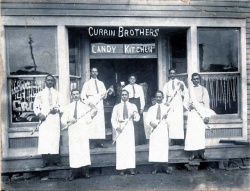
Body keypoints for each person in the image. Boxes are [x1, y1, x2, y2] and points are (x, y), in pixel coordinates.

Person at [61, 89, 98, 181]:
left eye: (77, 94)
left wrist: (93, 115)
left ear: (80, 95)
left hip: (83, 131)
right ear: (72, 96)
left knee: (84, 150)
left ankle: (85, 172)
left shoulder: (85, 107)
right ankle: (74, 173)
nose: (76, 96)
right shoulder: (68, 107)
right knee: (74, 151)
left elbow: (88, 120)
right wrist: (69, 120)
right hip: (73, 131)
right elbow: (63, 120)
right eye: (74, 94)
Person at [33, 74, 63, 168]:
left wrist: (57, 110)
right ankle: (45, 161)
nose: (49, 82)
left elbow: (62, 106)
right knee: (45, 139)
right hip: (44, 119)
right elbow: (36, 106)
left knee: (55, 138)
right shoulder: (40, 94)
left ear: (53, 82)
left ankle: (56, 160)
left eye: (51, 80)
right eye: (48, 80)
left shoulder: (58, 94)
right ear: (45, 82)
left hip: (54, 118)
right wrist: (39, 113)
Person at [184, 73, 216, 160]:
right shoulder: (189, 90)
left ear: (199, 79)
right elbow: (185, 101)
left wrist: (207, 116)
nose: (196, 80)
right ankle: (193, 153)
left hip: (201, 112)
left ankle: (201, 153)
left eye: (197, 79)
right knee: (192, 133)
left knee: (200, 133)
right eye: (194, 79)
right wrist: (188, 106)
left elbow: (207, 103)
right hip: (192, 113)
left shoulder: (203, 89)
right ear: (191, 80)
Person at [111, 90, 140, 175]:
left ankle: (131, 168)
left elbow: (137, 118)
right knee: (121, 148)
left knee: (130, 147)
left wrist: (134, 115)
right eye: (122, 95)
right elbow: (113, 119)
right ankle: (121, 168)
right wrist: (117, 127)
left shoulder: (133, 106)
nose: (124, 96)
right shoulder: (116, 107)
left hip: (129, 126)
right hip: (120, 127)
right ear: (121, 96)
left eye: (125, 95)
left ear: (128, 96)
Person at [81, 67, 107, 149]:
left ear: (98, 73)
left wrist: (106, 94)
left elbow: (105, 95)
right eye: (93, 71)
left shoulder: (101, 83)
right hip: (91, 103)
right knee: (92, 122)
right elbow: (82, 96)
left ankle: (100, 142)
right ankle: (92, 142)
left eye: (96, 71)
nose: (94, 73)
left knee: (99, 122)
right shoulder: (87, 83)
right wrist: (89, 102)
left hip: (99, 103)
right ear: (90, 73)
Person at [146, 91, 172, 175]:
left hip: (163, 129)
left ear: (163, 98)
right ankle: (156, 167)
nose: (158, 98)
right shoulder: (151, 108)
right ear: (155, 98)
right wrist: (151, 123)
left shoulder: (166, 109)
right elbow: (147, 120)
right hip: (154, 130)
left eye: (160, 97)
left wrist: (166, 118)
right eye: (157, 97)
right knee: (155, 148)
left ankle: (165, 167)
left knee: (163, 147)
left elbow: (170, 122)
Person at [162, 68, 188, 146]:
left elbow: (185, 93)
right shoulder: (167, 84)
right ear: (169, 74)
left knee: (179, 121)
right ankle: (173, 140)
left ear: (176, 74)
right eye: (171, 73)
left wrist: (182, 89)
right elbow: (164, 95)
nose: (172, 74)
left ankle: (180, 140)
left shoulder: (180, 83)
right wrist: (165, 103)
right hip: (170, 104)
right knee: (171, 121)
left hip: (178, 103)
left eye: (174, 73)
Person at [123, 74, 146, 146]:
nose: (132, 80)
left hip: (138, 103)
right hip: (130, 103)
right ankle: (131, 140)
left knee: (138, 121)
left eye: (134, 79)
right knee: (131, 121)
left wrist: (142, 107)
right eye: (131, 79)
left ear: (135, 80)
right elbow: (125, 97)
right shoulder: (126, 87)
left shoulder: (139, 87)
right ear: (128, 80)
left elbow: (142, 97)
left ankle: (140, 141)